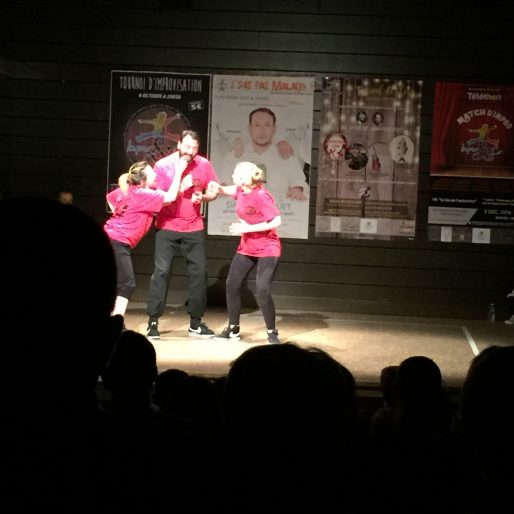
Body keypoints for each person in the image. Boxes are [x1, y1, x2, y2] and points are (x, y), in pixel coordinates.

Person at [146, 129, 219, 340]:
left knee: (199, 273)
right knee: (161, 272)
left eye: (194, 148)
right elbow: (162, 199)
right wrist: (181, 183)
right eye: (187, 146)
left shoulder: (204, 164)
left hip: (193, 226)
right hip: (167, 226)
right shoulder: (163, 166)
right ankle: (153, 321)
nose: (190, 151)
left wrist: (203, 197)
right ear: (178, 144)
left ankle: (195, 323)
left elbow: (213, 191)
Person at [208, 161, 282, 344]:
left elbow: (276, 221)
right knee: (231, 284)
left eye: (236, 173)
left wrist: (248, 228)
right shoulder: (241, 190)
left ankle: (272, 331)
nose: (233, 175)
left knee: (263, 290)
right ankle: (233, 328)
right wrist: (219, 188)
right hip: (247, 246)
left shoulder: (261, 196)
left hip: (267, 247)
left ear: (246, 178)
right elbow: (230, 190)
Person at [104, 160, 187, 318]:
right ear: (143, 181)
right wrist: (179, 172)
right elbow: (170, 197)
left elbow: (110, 197)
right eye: (151, 173)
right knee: (127, 283)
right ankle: (116, 321)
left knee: (115, 281)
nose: (155, 174)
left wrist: (120, 214)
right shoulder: (143, 194)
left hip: (110, 238)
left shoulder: (130, 190)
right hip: (117, 241)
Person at [220, 107, 308, 202]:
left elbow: (300, 183)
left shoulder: (286, 157)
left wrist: (297, 189)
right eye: (257, 125)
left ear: (274, 129)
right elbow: (222, 186)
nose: (262, 131)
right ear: (249, 128)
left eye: (267, 125)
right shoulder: (234, 157)